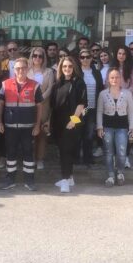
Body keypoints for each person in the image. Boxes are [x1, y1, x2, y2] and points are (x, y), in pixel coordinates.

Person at [0, 57, 43, 191]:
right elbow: (0, 104)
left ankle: (29, 181)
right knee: (10, 154)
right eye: (17, 68)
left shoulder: (35, 85)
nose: (20, 70)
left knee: (28, 154)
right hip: (10, 127)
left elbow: (39, 107)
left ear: (27, 69)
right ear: (14, 69)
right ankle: (10, 180)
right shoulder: (5, 84)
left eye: (23, 68)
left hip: (28, 128)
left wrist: (37, 125)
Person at [45, 56, 86, 193]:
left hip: (73, 122)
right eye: (64, 66)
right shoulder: (58, 83)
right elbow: (53, 106)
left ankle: (65, 180)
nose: (67, 69)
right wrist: (49, 121)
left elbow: (82, 104)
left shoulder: (79, 82)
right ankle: (70, 178)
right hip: (58, 122)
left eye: (69, 66)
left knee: (66, 151)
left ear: (74, 67)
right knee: (63, 150)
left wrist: (73, 121)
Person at [97, 69, 133, 187]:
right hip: (107, 126)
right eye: (112, 77)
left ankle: (120, 173)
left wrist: (132, 127)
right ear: (108, 79)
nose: (115, 79)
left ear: (121, 79)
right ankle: (110, 175)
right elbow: (99, 111)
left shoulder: (127, 93)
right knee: (108, 152)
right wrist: (99, 127)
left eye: (117, 77)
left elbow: (131, 112)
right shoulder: (103, 94)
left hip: (122, 127)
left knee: (122, 151)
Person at [27, 47, 55, 170]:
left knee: (42, 134)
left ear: (44, 58)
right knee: (30, 134)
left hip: (44, 105)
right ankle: (30, 158)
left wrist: (40, 98)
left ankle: (40, 159)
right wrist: (33, 100)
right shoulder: (27, 71)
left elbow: (50, 88)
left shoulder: (49, 71)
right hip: (29, 106)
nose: (37, 58)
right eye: (35, 55)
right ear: (32, 57)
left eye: (40, 56)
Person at [112, 45, 133, 168]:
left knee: (127, 131)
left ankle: (126, 157)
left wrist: (123, 95)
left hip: (127, 104)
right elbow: (107, 85)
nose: (121, 56)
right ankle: (114, 157)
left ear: (127, 55)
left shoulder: (132, 70)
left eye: (123, 53)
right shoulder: (112, 69)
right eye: (119, 53)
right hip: (112, 103)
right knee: (113, 131)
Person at [78, 48, 104, 168]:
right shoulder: (77, 72)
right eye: (82, 57)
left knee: (89, 134)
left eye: (88, 57)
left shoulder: (97, 73)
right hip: (79, 108)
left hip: (92, 108)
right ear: (79, 59)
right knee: (77, 132)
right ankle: (76, 156)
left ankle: (87, 158)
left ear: (91, 58)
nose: (85, 59)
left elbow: (101, 89)